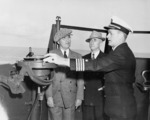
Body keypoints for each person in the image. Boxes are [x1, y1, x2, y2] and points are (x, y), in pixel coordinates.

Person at [44, 16, 137, 120]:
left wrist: (63, 61)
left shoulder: (121, 54)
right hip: (118, 108)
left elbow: (96, 65)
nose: (107, 37)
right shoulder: (119, 52)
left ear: (120, 35)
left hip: (121, 111)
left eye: (111, 33)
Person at [45, 28, 84, 120]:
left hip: (70, 98)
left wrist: (79, 97)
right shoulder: (51, 54)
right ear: (58, 42)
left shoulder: (78, 56)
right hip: (55, 96)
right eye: (64, 38)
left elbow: (80, 80)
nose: (67, 40)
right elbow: (47, 78)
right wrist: (49, 96)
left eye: (69, 37)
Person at [82, 31, 106, 120]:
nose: (92, 43)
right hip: (87, 96)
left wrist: (104, 87)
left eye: (95, 40)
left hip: (101, 97)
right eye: (90, 40)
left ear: (101, 42)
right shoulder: (83, 58)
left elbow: (110, 77)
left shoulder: (106, 58)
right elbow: (80, 77)